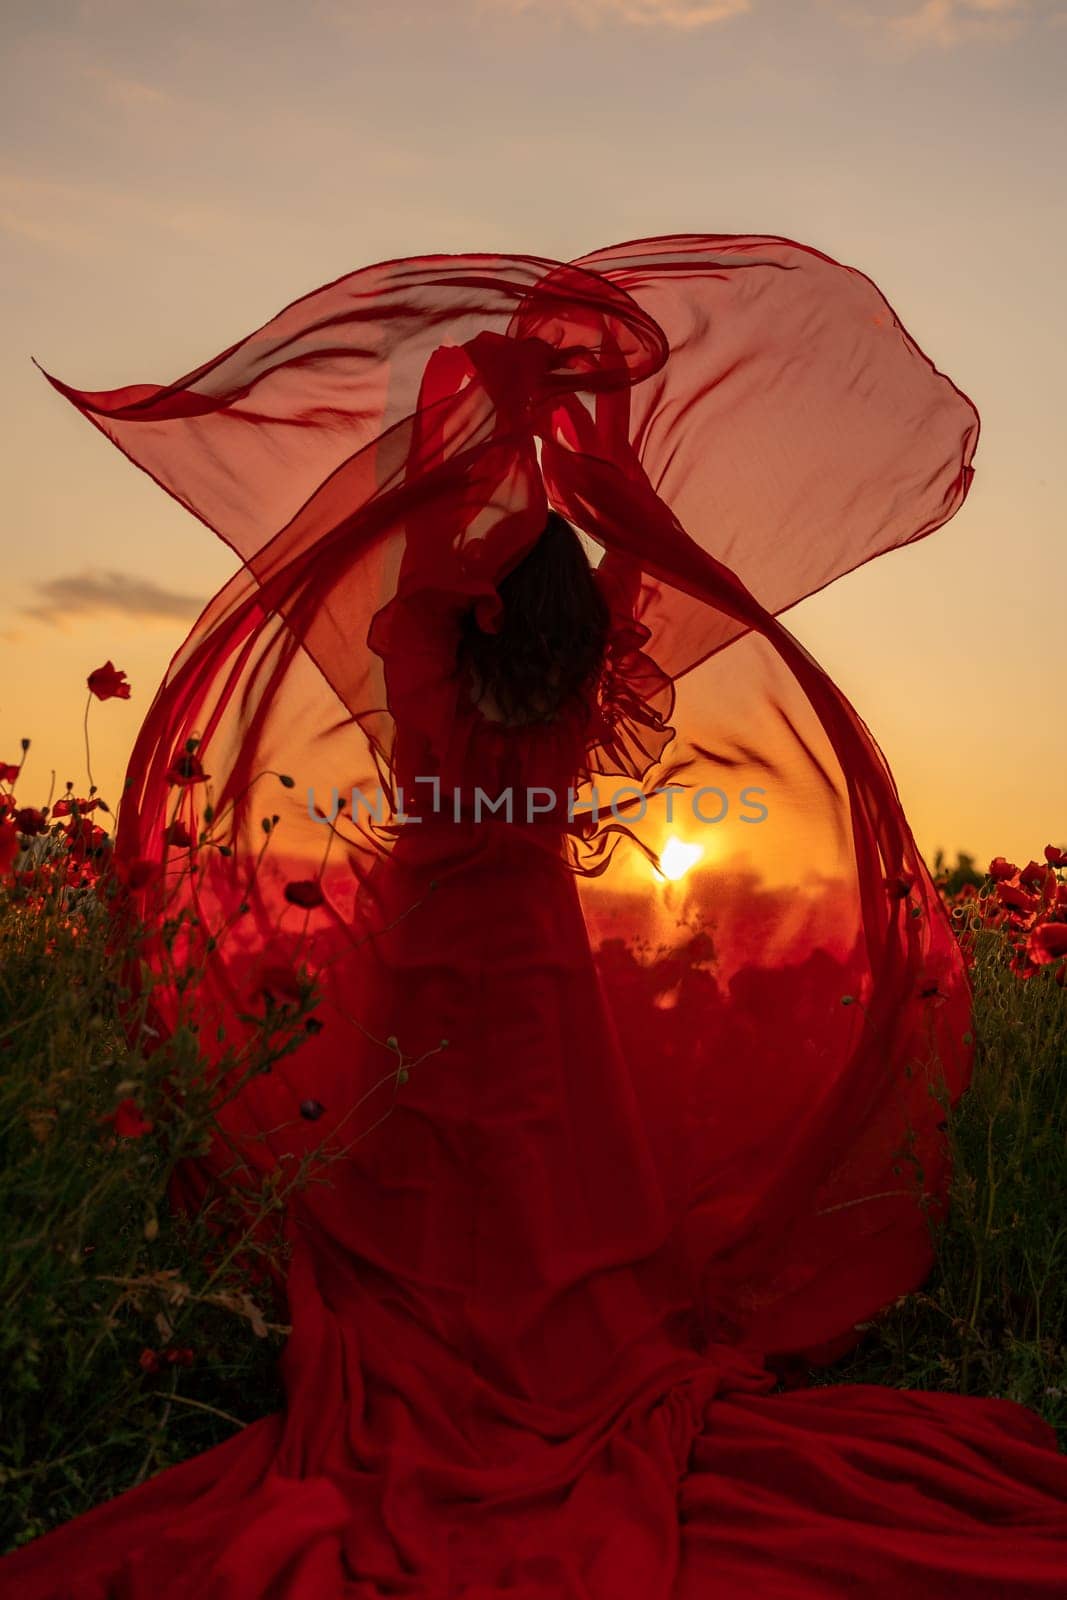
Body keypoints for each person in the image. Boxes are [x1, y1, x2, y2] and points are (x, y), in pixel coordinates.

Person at [7, 235, 1066, 1596]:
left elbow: (417, 568)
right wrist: (580, 470)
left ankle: (458, 1338)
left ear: (466, 606)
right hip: (544, 961)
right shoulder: (591, 690)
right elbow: (626, 588)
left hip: (439, 956)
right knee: (552, 1153)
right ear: (570, 615)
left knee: (438, 1150)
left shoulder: (422, 674)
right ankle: (549, 1337)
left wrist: (480, 430)